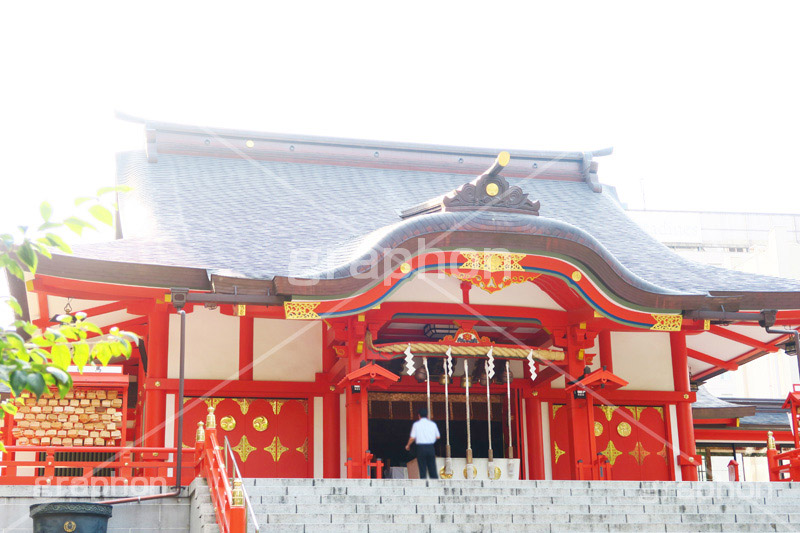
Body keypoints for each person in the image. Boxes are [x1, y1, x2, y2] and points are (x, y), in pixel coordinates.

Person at [405, 407, 441, 479]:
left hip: (421, 448)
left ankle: (423, 482)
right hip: (430, 447)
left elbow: (412, 437)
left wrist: (408, 445)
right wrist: (430, 438)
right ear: (427, 416)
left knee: (422, 467)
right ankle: (435, 483)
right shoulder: (432, 424)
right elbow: (438, 436)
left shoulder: (416, 425)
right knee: (432, 467)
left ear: (419, 416)